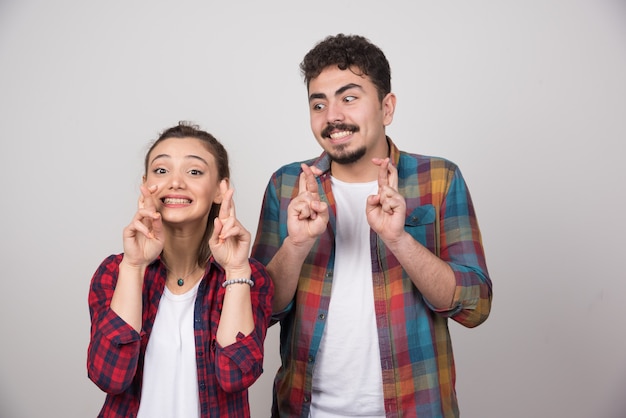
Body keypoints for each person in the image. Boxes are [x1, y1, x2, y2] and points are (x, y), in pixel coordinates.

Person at [251, 34, 493, 417]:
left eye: (349, 98)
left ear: (387, 107)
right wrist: (296, 245)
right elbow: (258, 311)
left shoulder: (439, 179)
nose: (332, 116)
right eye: (319, 103)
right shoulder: (288, 186)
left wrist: (399, 239)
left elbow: (475, 306)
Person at [87, 122, 273, 418]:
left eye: (194, 171)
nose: (175, 182)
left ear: (220, 189)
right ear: (146, 184)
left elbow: (235, 376)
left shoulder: (250, 277)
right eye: (161, 171)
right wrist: (134, 266)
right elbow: (109, 377)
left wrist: (236, 268)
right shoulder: (114, 272)